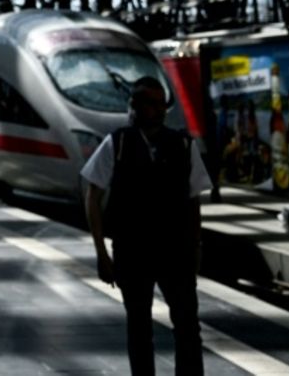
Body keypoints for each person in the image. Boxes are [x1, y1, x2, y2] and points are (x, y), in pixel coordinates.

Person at [82, 77, 212, 376]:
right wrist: (101, 253)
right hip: (132, 250)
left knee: (187, 326)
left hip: (175, 249)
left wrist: (196, 246)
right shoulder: (117, 143)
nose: (156, 109)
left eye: (159, 103)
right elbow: (92, 195)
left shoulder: (183, 145)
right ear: (135, 105)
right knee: (140, 326)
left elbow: (193, 201)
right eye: (147, 102)